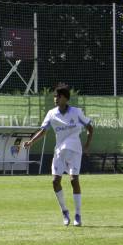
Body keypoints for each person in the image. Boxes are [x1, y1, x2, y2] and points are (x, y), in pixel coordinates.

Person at [23, 83, 94, 227]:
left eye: (59, 96)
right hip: (59, 151)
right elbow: (43, 131)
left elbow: (90, 128)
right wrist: (31, 142)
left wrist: (87, 144)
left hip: (74, 150)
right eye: (55, 96)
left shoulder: (76, 112)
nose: (56, 98)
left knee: (74, 180)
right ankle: (65, 212)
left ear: (65, 98)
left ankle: (78, 215)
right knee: (55, 181)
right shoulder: (51, 113)